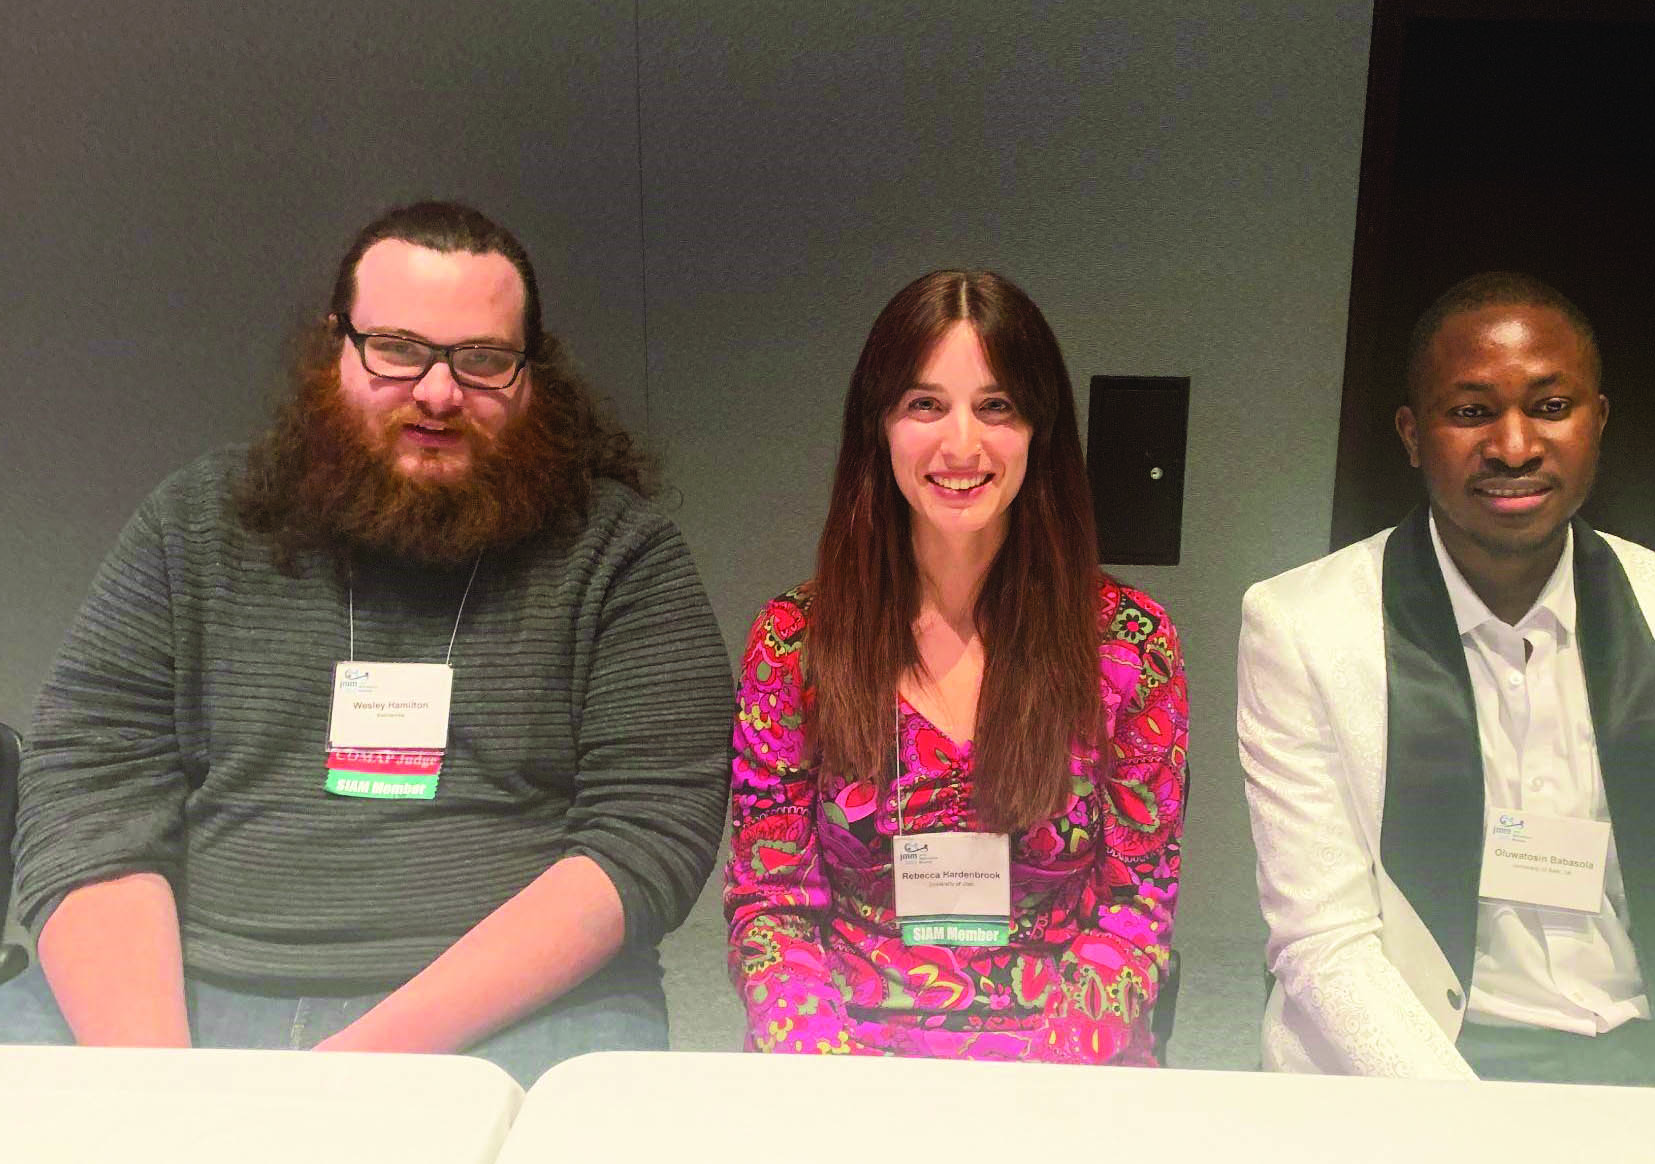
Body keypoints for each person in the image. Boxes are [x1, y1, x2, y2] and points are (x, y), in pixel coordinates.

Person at [1, 201, 734, 1085]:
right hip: (180, 998)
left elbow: (646, 838)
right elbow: (88, 795)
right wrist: (165, 1088)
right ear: (335, 350)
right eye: (397, 348)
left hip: (511, 1015)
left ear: (533, 376)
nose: (437, 390)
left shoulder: (620, 554)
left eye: (484, 360)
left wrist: (347, 1082)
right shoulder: (190, 524)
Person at [1237, 272, 1655, 1089]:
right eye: (1471, 411)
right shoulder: (1302, 626)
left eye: (1550, 407)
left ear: (1598, 420)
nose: (1514, 446)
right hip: (1408, 1078)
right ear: (1412, 433)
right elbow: (1323, 943)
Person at [725, 270, 1188, 1063]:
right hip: (842, 1065)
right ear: (879, 427)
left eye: (996, 406)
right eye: (925, 404)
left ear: (1039, 429)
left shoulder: (1128, 645)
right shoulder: (795, 640)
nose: (962, 444)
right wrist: (839, 1084)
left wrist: (1032, 1097)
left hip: (1064, 1073)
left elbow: (1134, 907)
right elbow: (772, 910)